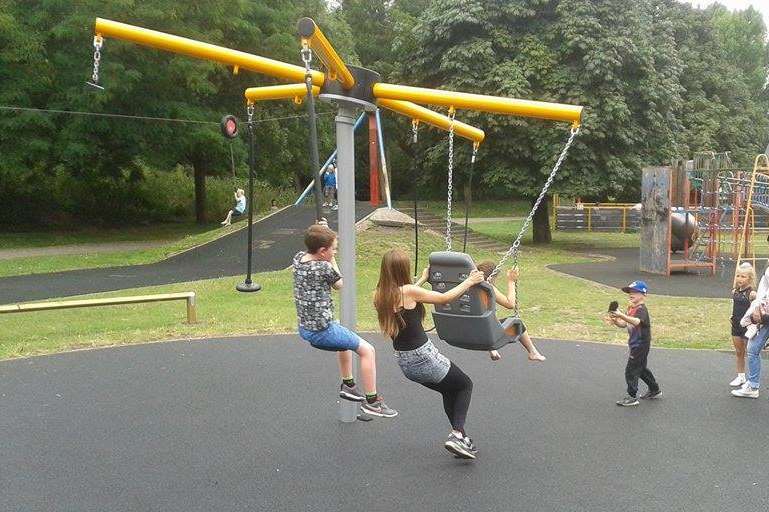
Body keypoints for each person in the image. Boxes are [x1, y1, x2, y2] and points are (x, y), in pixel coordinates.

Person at [374, 248, 483, 459]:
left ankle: (462, 440)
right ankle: (457, 434)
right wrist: (469, 281)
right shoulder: (409, 292)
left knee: (448, 391)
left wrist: (423, 279)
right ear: (402, 269)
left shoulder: (380, 295)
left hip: (405, 363)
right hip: (423, 357)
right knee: (464, 385)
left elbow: (404, 296)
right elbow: (444, 298)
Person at [293, 222, 397, 417]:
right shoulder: (323, 267)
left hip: (306, 327)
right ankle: (372, 402)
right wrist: (332, 261)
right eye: (333, 249)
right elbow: (339, 284)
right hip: (322, 332)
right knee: (368, 350)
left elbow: (313, 243)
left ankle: (348, 385)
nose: (335, 252)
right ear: (323, 251)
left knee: (344, 338)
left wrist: (321, 229)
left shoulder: (299, 259)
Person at [474, 261, 546, 362]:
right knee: (518, 323)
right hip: (487, 333)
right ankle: (532, 352)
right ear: (492, 276)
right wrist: (511, 281)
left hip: (468, 330)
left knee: (486, 317)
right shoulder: (487, 287)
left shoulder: (466, 286)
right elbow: (510, 304)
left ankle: (491, 349)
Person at [606, 280, 661, 406]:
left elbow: (636, 322)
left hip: (641, 344)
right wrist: (616, 320)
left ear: (643, 294)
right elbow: (624, 324)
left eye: (635, 292)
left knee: (631, 370)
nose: (631, 294)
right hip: (635, 343)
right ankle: (655, 390)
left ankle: (632, 397)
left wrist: (621, 315)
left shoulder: (641, 309)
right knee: (640, 369)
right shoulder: (631, 308)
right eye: (630, 292)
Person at [733, 265, 769, 398]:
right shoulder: (767, 269)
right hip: (765, 317)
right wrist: (756, 309)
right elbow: (762, 291)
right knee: (752, 349)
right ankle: (753, 385)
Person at [728, 262, 756, 387]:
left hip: (747, 327)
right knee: (739, 352)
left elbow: (756, 310)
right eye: (738, 276)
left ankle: (752, 379)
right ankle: (741, 376)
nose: (740, 279)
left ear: (750, 278)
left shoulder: (751, 294)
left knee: (750, 353)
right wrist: (731, 316)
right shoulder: (735, 291)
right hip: (736, 325)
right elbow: (734, 306)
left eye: (743, 276)